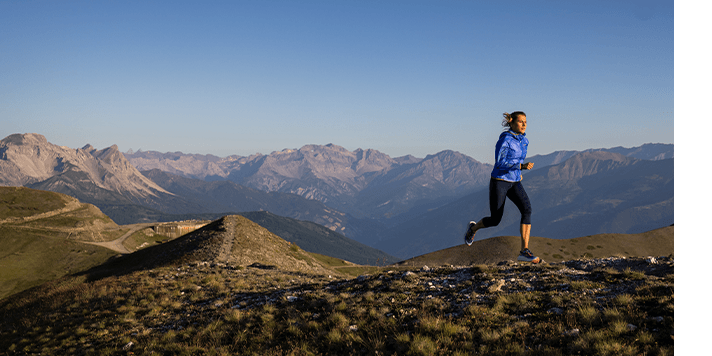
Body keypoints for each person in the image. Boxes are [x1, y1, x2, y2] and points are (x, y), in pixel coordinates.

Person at [464, 111, 540, 263]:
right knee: (495, 219)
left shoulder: (523, 141)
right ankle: (473, 229)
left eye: (526, 122)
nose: (524, 124)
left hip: (515, 182)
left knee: (527, 209)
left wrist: (518, 171)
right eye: (520, 122)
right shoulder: (505, 140)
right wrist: (520, 166)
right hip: (500, 181)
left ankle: (524, 251)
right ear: (511, 123)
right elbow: (499, 163)